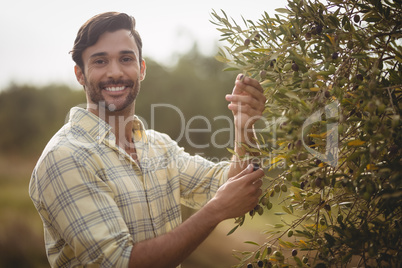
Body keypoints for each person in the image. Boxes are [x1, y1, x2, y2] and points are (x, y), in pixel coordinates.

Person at [29, 12, 266, 268]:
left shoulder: (158, 146)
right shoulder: (65, 157)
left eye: (126, 58)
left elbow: (233, 185)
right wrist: (215, 211)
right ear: (80, 75)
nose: (115, 72)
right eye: (100, 61)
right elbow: (119, 263)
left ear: (141, 69)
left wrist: (244, 125)